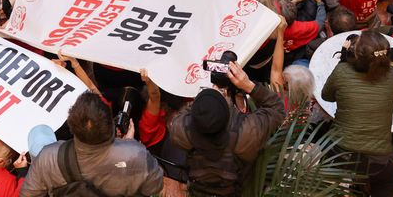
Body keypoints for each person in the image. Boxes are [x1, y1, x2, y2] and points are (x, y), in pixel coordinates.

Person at [169, 60, 284, 197]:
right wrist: (248, 86)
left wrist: (205, 100)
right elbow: (276, 109)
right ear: (227, 111)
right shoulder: (245, 133)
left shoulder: (180, 131)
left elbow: (185, 114)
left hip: (198, 189)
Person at [20, 91, 164, 196]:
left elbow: (28, 194)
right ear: (111, 126)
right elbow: (154, 187)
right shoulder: (135, 154)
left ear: (72, 127)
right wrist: (128, 147)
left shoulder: (48, 157)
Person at [321, 30, 393, 197]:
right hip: (377, 161)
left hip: (338, 153)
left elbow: (326, 96)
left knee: (325, 187)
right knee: (388, 182)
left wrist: (343, 60)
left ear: (356, 56)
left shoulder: (342, 71)